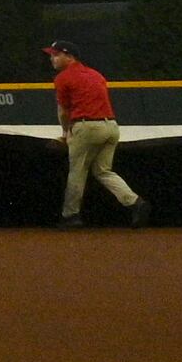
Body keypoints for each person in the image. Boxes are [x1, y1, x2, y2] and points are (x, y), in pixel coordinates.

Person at [49, 41, 147, 228]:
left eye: (56, 55)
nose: (52, 58)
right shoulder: (96, 74)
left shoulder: (63, 77)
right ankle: (135, 202)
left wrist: (65, 132)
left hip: (87, 126)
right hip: (111, 126)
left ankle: (70, 216)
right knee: (103, 171)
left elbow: (63, 111)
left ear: (69, 56)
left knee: (77, 171)